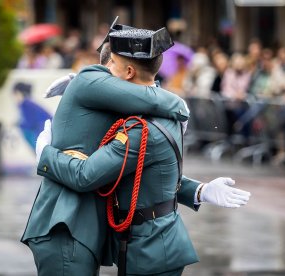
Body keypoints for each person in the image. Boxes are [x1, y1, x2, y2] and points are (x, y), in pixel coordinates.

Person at [35, 27, 250, 275]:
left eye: (111, 64)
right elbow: (153, 178)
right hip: (155, 243)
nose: (105, 72)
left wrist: (45, 155)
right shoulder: (159, 117)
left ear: (128, 72)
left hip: (150, 250)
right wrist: (199, 191)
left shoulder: (141, 129)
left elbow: (86, 175)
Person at [21, 19, 191, 276]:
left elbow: (142, 167)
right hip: (65, 222)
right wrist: (180, 106)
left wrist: (198, 191)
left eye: (113, 63)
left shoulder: (128, 105)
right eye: (109, 62)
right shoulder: (90, 78)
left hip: (83, 228)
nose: (108, 70)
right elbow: (150, 96)